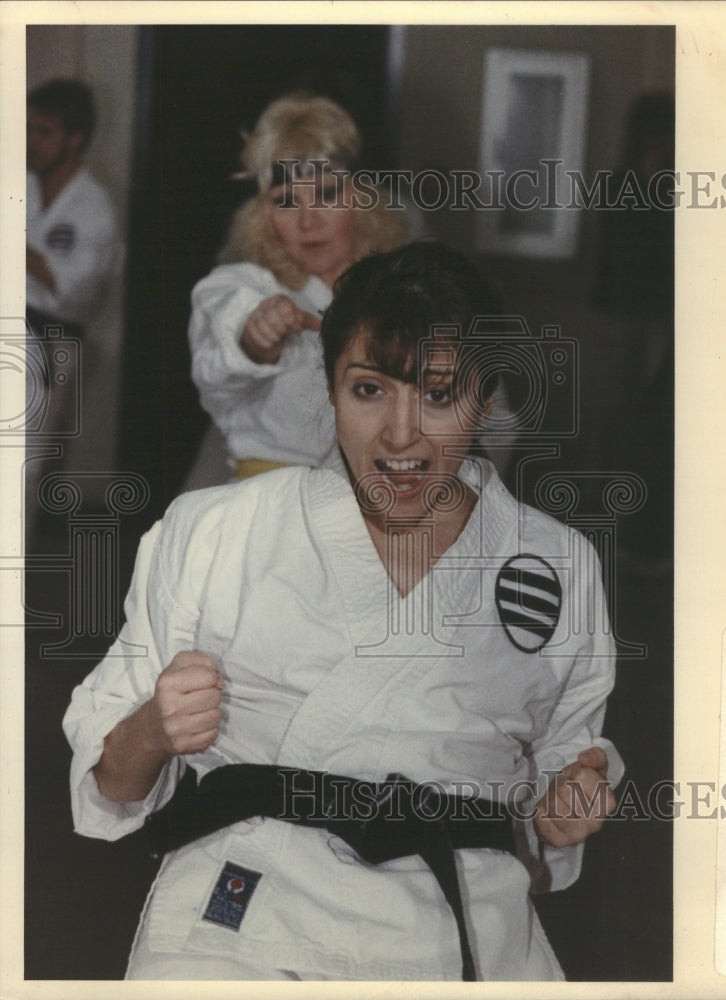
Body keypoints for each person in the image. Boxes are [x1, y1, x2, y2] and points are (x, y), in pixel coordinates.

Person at [64, 242, 622, 982]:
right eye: (369, 391)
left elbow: (562, 763)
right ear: (328, 390)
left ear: (486, 398)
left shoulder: (554, 564)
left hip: (458, 925)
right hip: (244, 916)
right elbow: (112, 787)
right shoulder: (215, 531)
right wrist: (153, 728)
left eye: (438, 393)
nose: (399, 434)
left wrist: (566, 798)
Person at [186, 91, 409, 484]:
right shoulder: (245, 287)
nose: (309, 222)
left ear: (361, 198)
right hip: (270, 509)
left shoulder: (398, 293)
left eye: (327, 194)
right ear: (261, 214)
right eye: (286, 201)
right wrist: (254, 338)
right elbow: (217, 358)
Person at [25, 79, 124, 545]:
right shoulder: (17, 186)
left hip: (49, 341)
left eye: (43, 131)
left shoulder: (95, 209)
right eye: (27, 129)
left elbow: (69, 290)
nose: (31, 142)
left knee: (20, 468)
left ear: (74, 137)